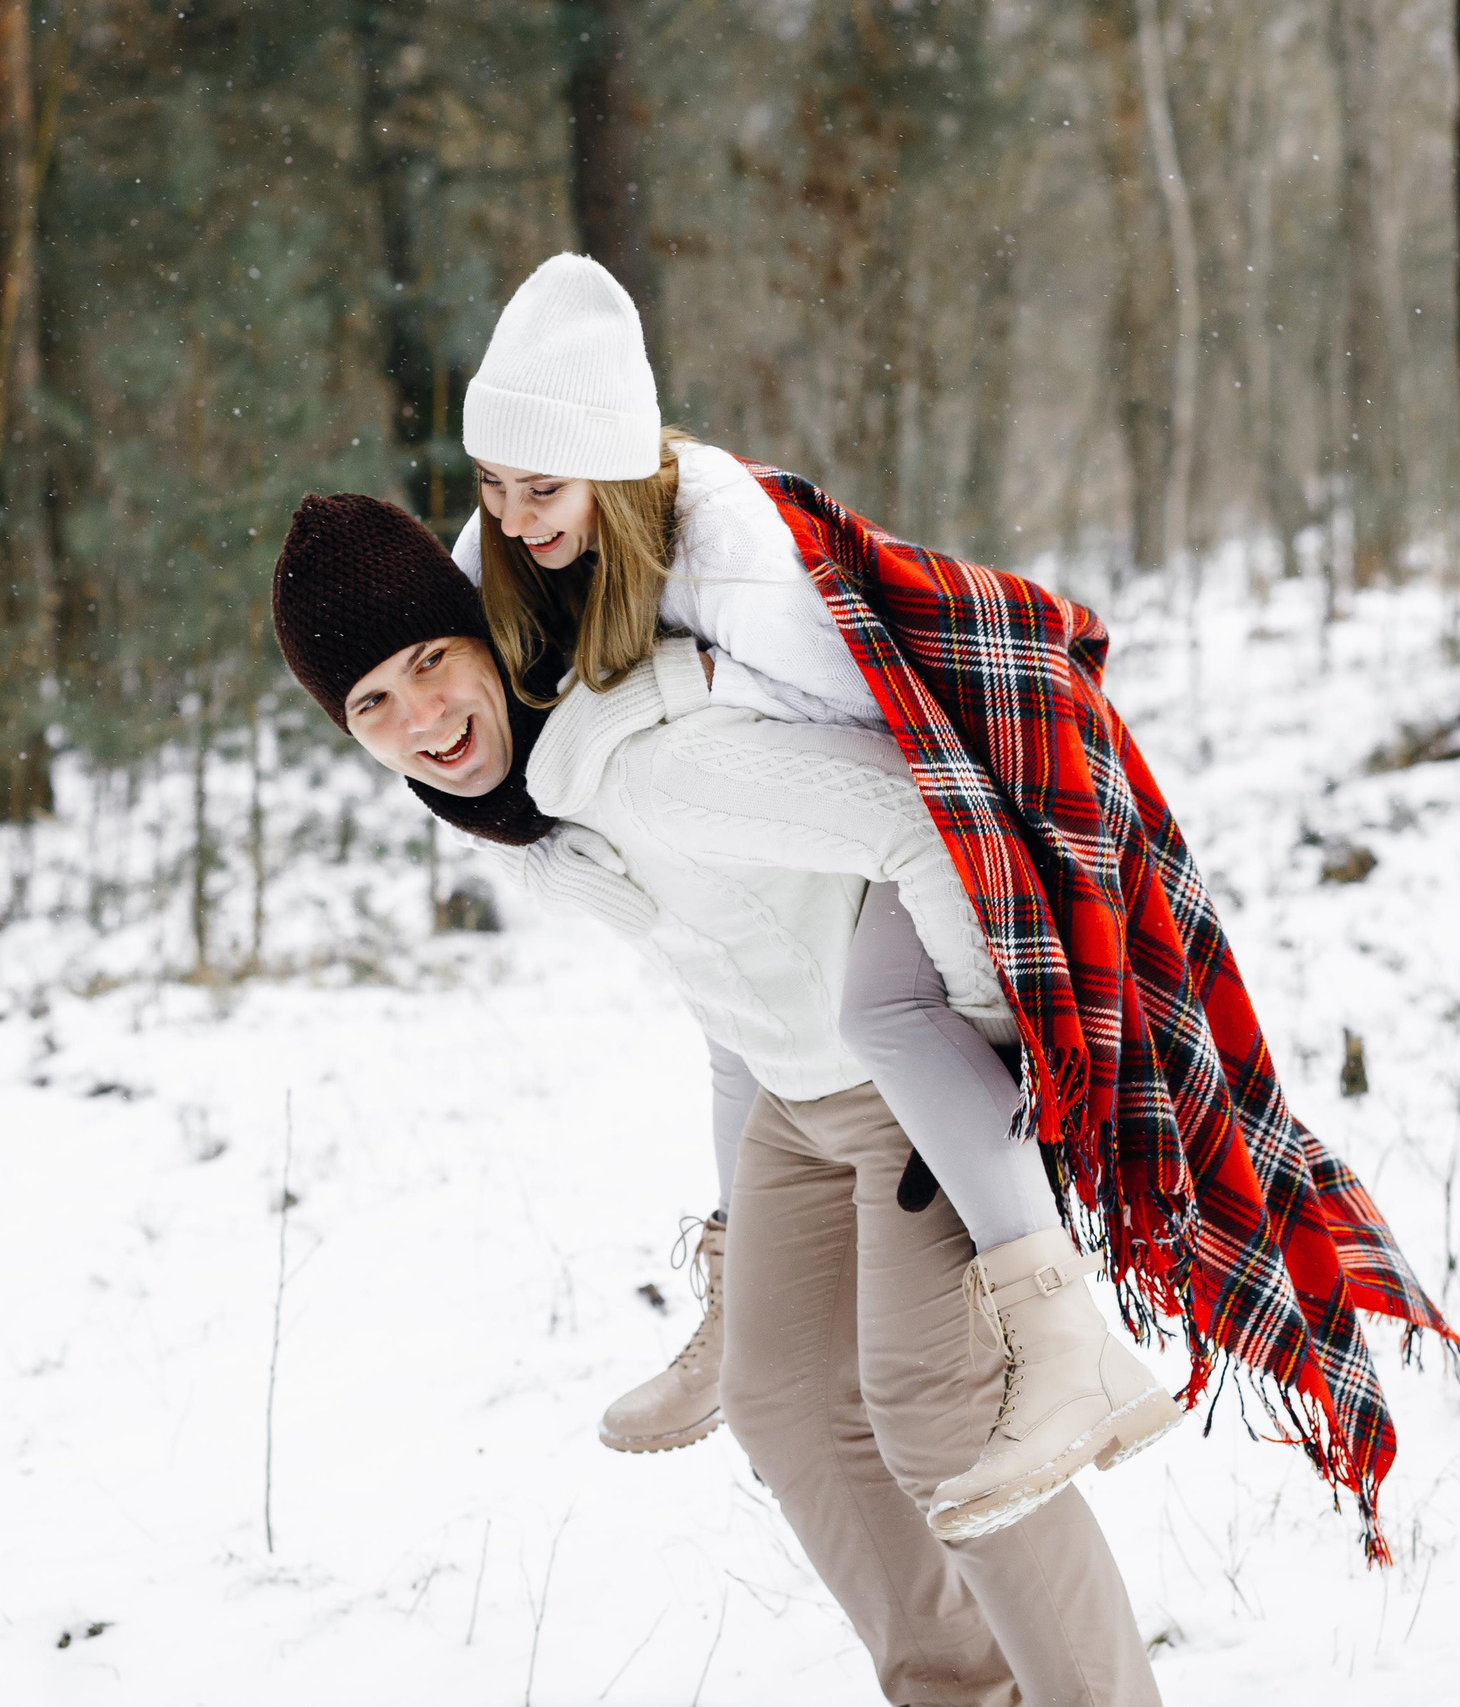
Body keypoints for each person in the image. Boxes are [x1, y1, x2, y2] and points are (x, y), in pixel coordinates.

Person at [271, 495, 1167, 1705]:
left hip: (901, 1083)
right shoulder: (532, 813)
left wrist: (984, 1039)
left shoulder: (647, 763)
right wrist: (735, 1219)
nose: (419, 720)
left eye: (431, 661)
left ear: (484, 636)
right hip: (791, 1101)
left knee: (938, 1419)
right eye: (371, 704)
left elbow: (921, 811)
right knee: (784, 1399)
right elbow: (718, 980)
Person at [448, 253, 1173, 1536]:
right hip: (810, 842)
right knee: (727, 1004)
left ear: (614, 468)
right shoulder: (503, 555)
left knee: (887, 1023)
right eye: (492, 485)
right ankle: (741, 1317)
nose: (512, 517)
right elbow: (457, 728)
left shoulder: (735, 570)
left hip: (942, 804)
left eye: (542, 488)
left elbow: (903, 771)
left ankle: (1061, 1336)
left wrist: (983, 1007)